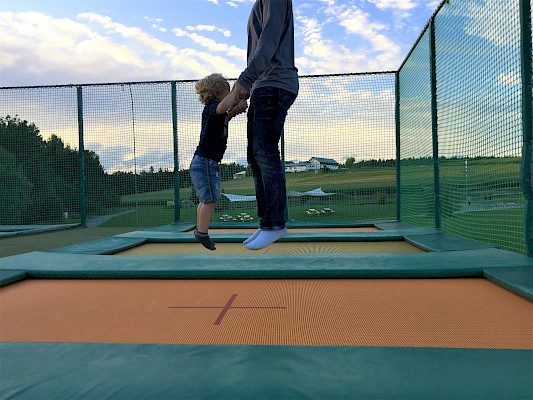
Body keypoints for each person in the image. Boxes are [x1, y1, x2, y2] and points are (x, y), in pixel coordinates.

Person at [232, 0, 299, 250]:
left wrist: (246, 78)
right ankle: (266, 222)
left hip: (275, 83)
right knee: (255, 157)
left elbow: (269, 41)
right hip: (263, 84)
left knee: (265, 153)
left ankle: (274, 224)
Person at [190, 73, 247, 250]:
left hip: (206, 162)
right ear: (217, 92)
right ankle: (202, 232)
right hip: (205, 162)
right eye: (227, 91)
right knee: (210, 199)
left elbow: (225, 115)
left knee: (206, 199)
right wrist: (238, 90)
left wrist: (236, 109)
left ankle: (200, 230)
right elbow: (223, 107)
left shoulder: (218, 112)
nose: (230, 94)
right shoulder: (211, 108)